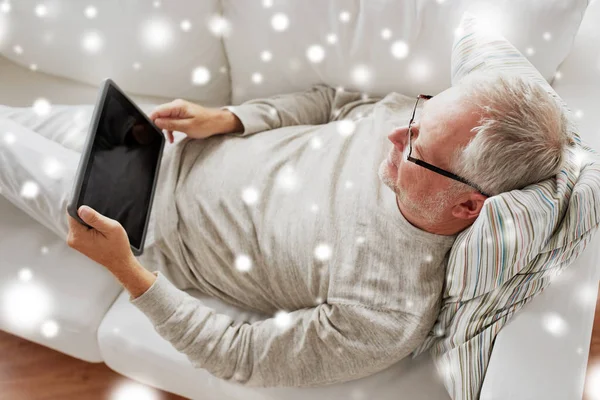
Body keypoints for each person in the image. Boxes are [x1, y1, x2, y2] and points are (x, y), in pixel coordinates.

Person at [62, 69, 572, 387]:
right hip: (163, 144)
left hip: (142, 223)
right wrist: (229, 118)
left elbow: (239, 355)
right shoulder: (411, 121)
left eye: (418, 147)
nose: (395, 133)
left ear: (467, 206)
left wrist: (125, 269)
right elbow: (331, 103)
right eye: (420, 113)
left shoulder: (387, 313)